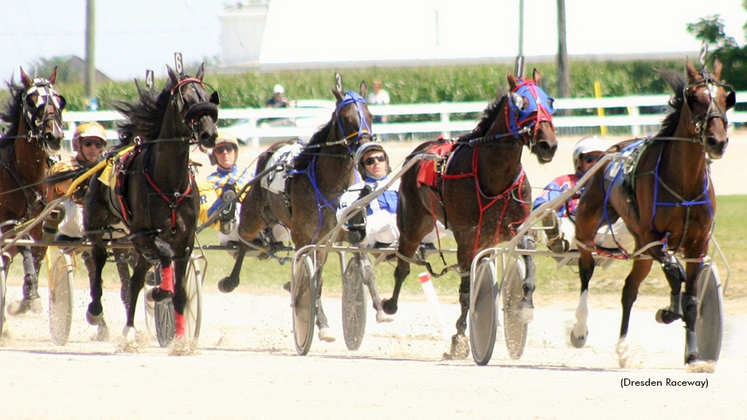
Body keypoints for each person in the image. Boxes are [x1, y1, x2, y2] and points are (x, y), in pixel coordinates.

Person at [533, 136, 634, 253]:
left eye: (600, 159)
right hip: (572, 228)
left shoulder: (613, 183)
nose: (595, 163)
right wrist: (564, 197)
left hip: (607, 231)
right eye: (590, 159)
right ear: (579, 162)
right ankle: (557, 240)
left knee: (631, 219)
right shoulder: (564, 181)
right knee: (557, 223)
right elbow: (540, 211)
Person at [337, 142, 445, 249]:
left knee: (443, 221)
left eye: (380, 158)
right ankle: (360, 232)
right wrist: (361, 200)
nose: (376, 163)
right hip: (381, 235)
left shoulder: (400, 184)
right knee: (385, 216)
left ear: (386, 162)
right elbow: (342, 218)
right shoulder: (356, 190)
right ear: (362, 167)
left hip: (411, 231)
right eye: (370, 161)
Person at [198, 132, 289, 253]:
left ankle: (265, 231)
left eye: (229, 148)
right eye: (220, 150)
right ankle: (232, 207)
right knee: (235, 207)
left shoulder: (253, 174)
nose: (225, 153)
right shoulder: (208, 183)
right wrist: (223, 198)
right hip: (232, 231)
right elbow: (206, 218)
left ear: (235, 152)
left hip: (265, 225)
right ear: (213, 156)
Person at [44, 122, 109, 242]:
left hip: (100, 222)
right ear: (77, 144)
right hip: (73, 220)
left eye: (98, 144)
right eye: (88, 143)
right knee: (66, 205)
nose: (93, 148)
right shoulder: (64, 165)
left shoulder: (106, 167)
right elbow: (66, 186)